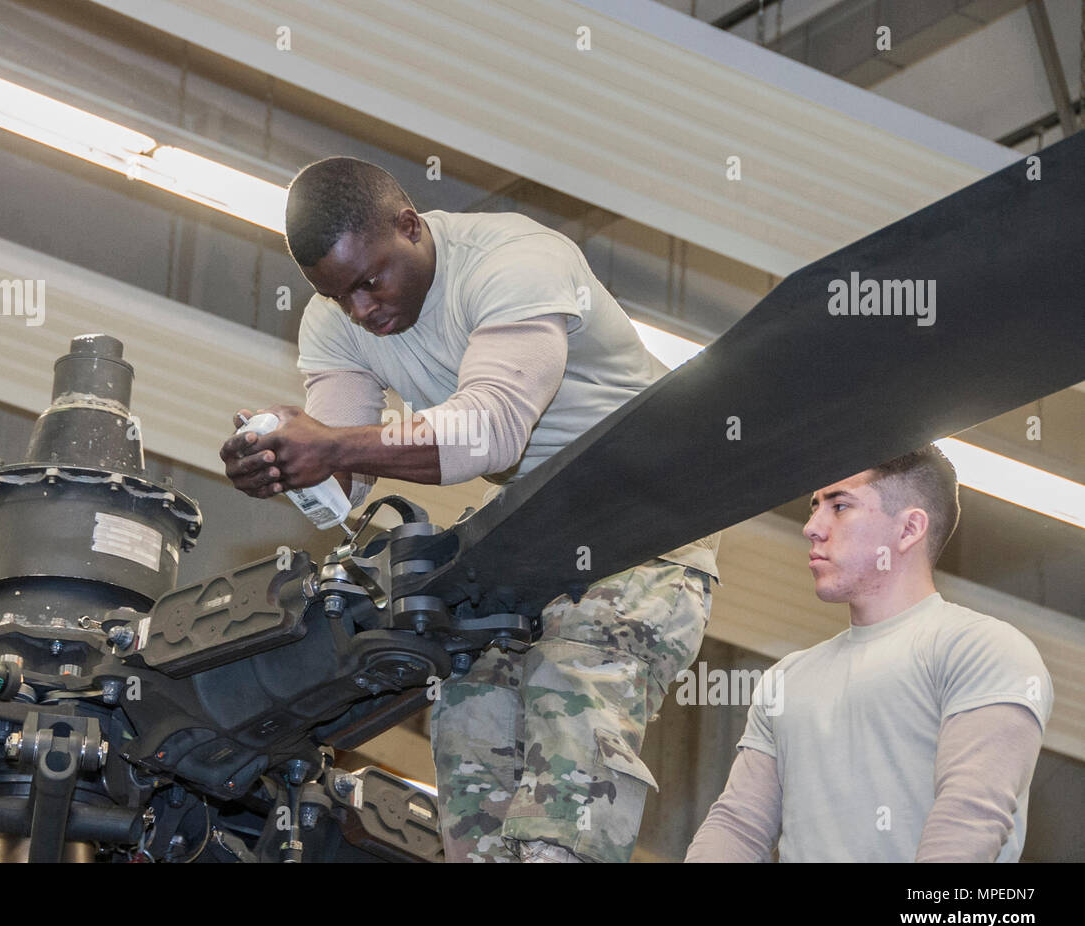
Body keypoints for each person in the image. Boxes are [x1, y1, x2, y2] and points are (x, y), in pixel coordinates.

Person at [220, 156, 719, 862]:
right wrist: (283, 462)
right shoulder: (337, 323)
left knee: (570, 687)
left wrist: (329, 446)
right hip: (528, 534)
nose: (362, 308)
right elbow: (346, 476)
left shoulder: (517, 262)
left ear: (410, 225)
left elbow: (488, 431)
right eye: (340, 296)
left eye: (371, 280)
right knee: (465, 715)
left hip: (643, 519)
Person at [685, 446, 1053, 862]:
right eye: (815, 506)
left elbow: (968, 822)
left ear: (909, 529)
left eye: (839, 506)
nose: (811, 527)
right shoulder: (787, 678)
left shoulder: (981, 649)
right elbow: (738, 826)